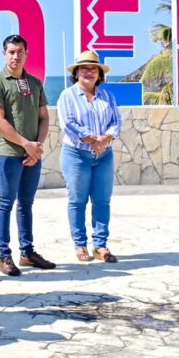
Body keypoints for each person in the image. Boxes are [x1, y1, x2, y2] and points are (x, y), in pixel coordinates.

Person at [0, 34, 57, 277]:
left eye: (20, 52)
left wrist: (37, 147)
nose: (16, 56)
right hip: (9, 153)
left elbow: (44, 117)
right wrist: (26, 144)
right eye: (11, 52)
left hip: (31, 154)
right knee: (6, 202)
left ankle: (27, 252)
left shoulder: (35, 83)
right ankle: (4, 256)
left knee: (26, 204)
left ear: (26, 53)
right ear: (4, 54)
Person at [57, 51, 123, 263]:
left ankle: (100, 245)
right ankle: (80, 245)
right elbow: (68, 123)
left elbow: (116, 121)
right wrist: (92, 139)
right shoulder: (67, 96)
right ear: (76, 73)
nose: (89, 72)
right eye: (84, 68)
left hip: (104, 155)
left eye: (93, 68)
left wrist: (106, 138)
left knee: (103, 201)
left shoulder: (107, 96)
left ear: (99, 74)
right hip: (76, 154)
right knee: (78, 201)